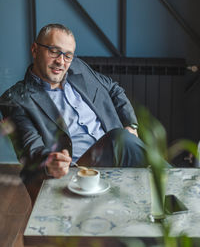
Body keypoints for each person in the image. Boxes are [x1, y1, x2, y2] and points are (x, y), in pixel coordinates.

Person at [0, 24, 147, 195]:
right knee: (120, 138)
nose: (61, 62)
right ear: (34, 49)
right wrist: (50, 162)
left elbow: (114, 89)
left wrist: (131, 124)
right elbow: (30, 148)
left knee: (126, 142)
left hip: (120, 158)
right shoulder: (15, 99)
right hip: (76, 172)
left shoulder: (78, 67)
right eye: (54, 51)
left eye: (68, 55)